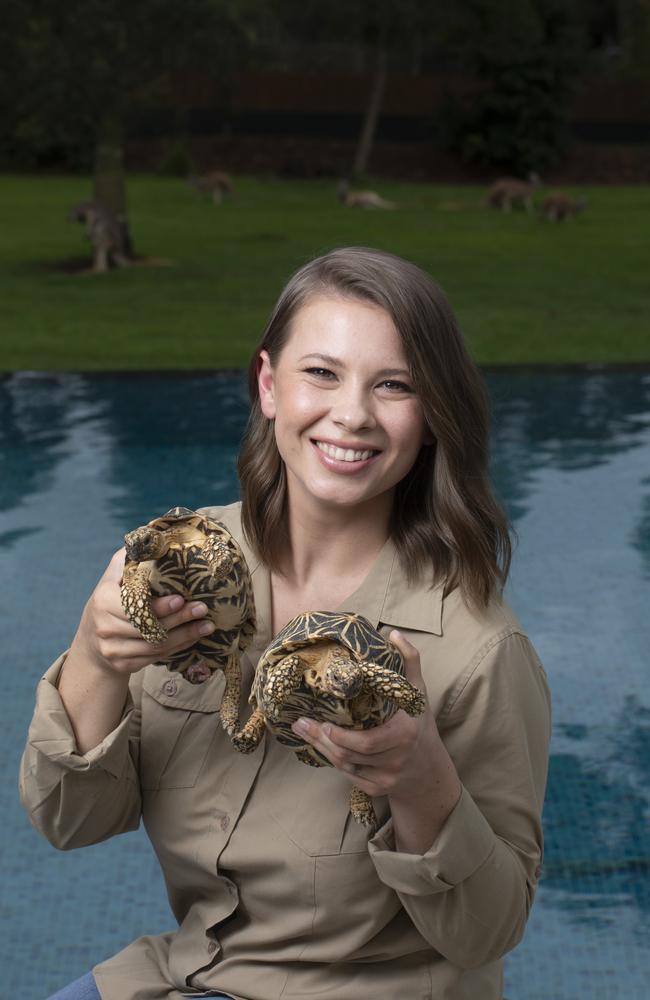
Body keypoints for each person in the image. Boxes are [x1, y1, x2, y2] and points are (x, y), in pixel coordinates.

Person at [21, 247, 551, 1000]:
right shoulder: (177, 571)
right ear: (269, 384)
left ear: (432, 417)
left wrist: (422, 777)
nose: (352, 414)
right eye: (322, 373)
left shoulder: (479, 649)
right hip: (182, 975)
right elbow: (68, 822)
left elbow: (488, 931)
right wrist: (95, 656)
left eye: (394, 385)